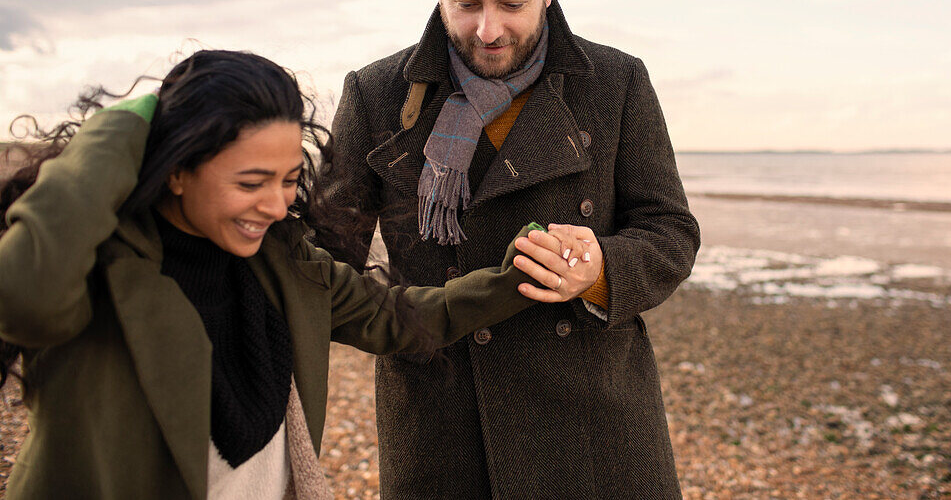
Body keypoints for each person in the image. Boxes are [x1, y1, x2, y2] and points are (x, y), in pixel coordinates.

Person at [0, 49, 576, 499]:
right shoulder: (96, 262)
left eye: (286, 179)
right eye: (250, 183)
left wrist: (517, 276)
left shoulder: (284, 260)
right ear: (176, 170)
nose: (276, 207)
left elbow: (398, 316)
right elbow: (26, 298)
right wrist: (124, 127)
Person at [323, 0, 701, 498]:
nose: (489, 29)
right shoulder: (377, 95)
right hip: (442, 423)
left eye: (513, 3)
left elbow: (671, 231)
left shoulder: (615, 82)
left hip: (592, 424)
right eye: (467, 3)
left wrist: (600, 268)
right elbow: (326, 261)